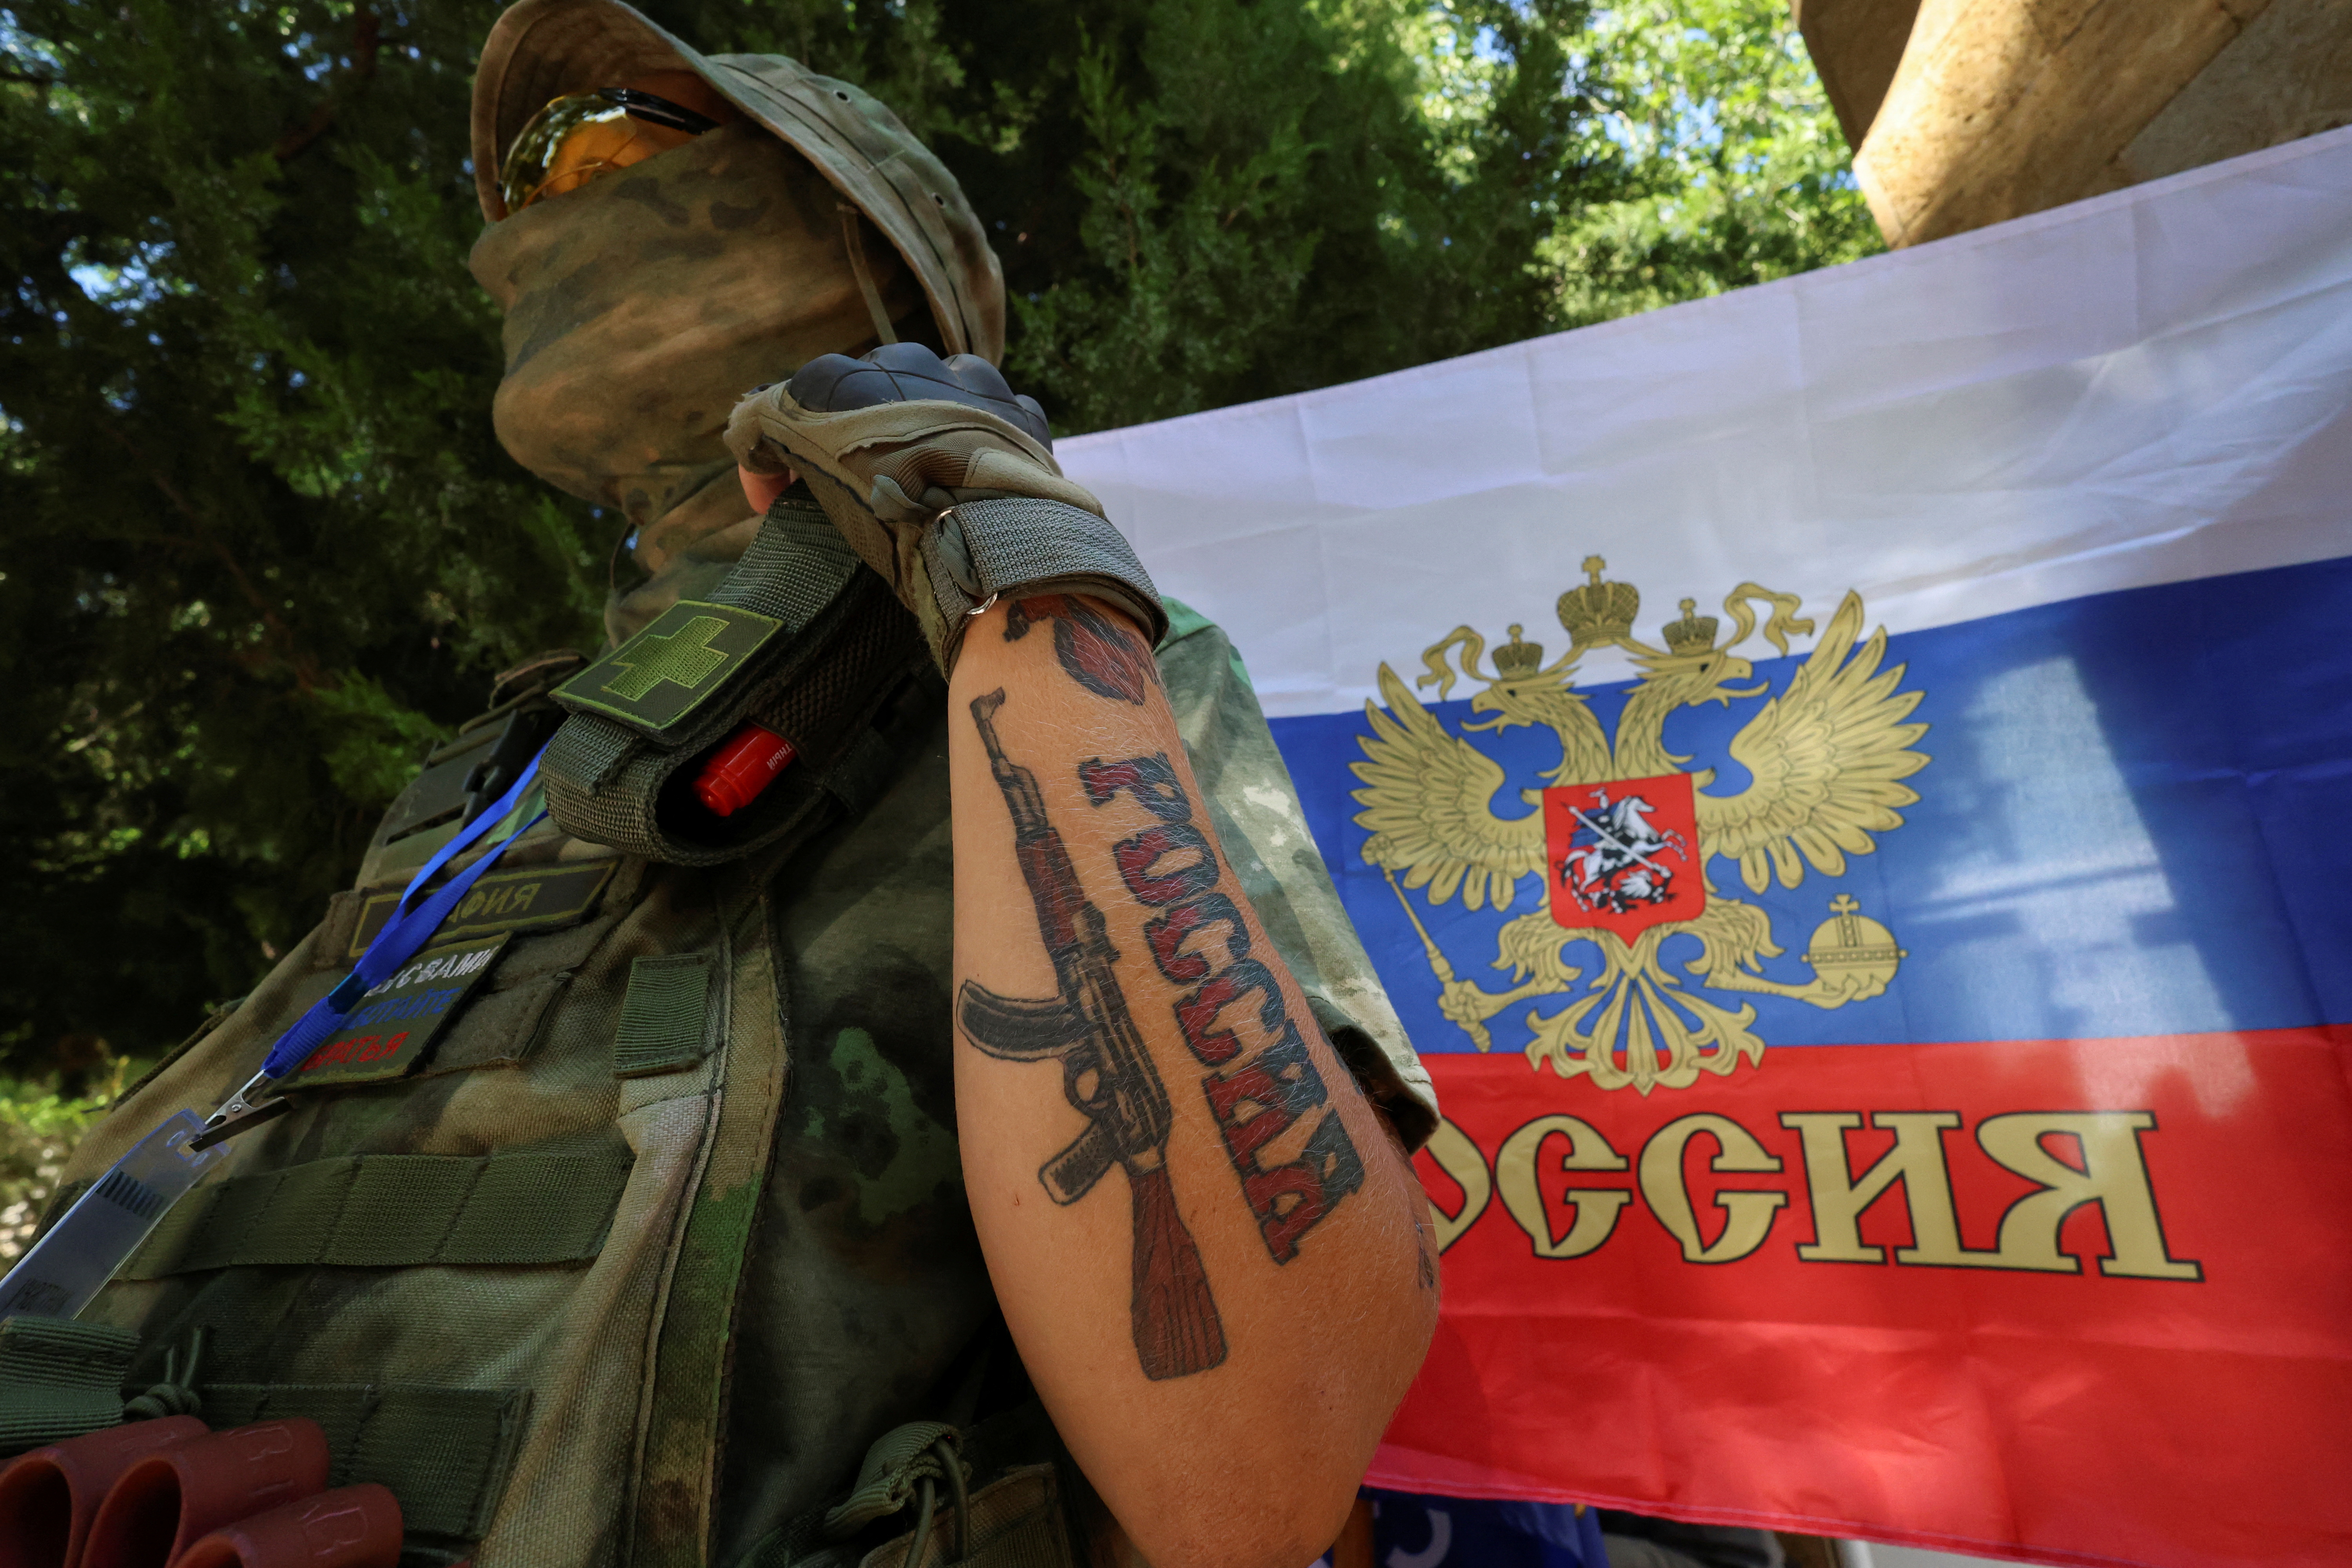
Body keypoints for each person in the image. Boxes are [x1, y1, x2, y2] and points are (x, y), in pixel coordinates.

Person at [39, 3, 1441, 1564]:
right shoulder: (497, 773)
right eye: (525, 178)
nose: (550, 208)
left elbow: (1256, 1473)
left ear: (860, 246)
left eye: (617, 148)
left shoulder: (1053, 664)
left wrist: (1011, 566)